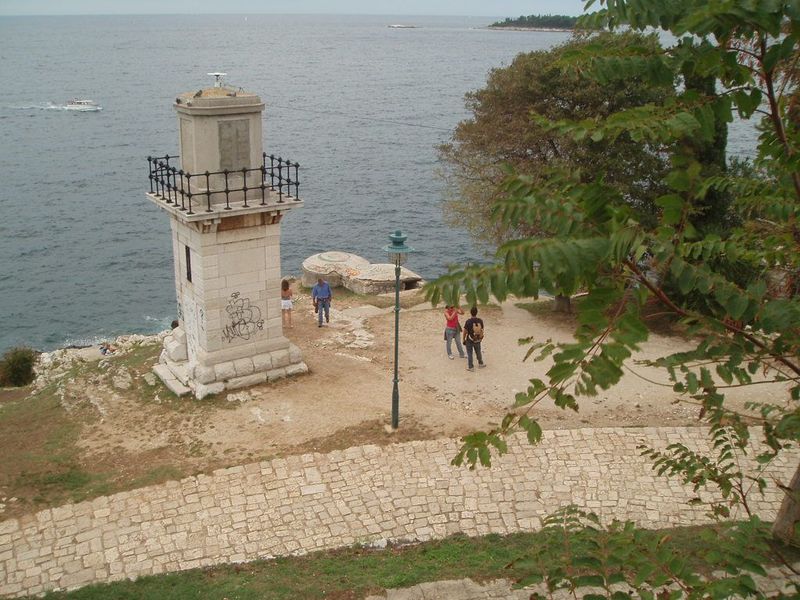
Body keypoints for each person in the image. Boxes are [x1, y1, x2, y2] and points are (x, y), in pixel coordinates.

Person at [462, 306, 486, 371]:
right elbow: (482, 329)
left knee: (470, 353)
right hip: (477, 339)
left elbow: (465, 331)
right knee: (478, 352)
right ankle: (480, 363)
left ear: (470, 313)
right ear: (476, 312)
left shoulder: (468, 321)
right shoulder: (480, 320)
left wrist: (463, 339)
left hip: (470, 339)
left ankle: (471, 367)